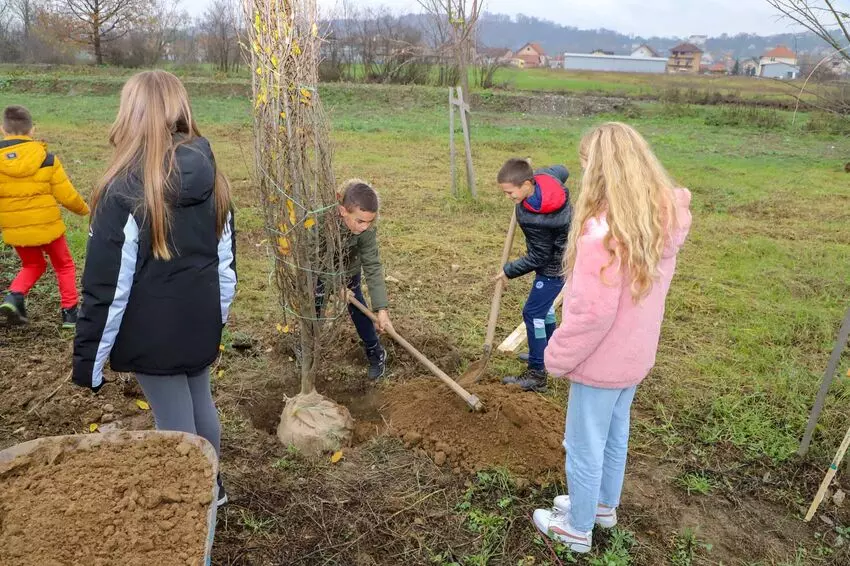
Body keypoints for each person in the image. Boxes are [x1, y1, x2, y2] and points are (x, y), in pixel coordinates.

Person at [72, 71, 236, 507]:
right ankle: (212, 487)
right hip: (199, 323)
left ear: (132, 114)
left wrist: (89, 363)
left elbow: (107, 288)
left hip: (152, 334)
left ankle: (191, 503)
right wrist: (214, 321)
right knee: (201, 405)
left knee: (175, 420)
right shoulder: (214, 179)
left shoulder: (121, 190)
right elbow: (226, 268)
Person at [532, 123, 692, 553]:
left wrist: (556, 356)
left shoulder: (602, 235)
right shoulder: (657, 220)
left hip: (600, 361)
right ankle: (603, 505)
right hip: (634, 355)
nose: (583, 176)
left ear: (602, 170)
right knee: (615, 430)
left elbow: (590, 316)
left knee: (584, 441)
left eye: (587, 166)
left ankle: (578, 528)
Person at [0, 105, 90, 328]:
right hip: (48, 227)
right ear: (32, 131)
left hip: (16, 228)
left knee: (33, 264)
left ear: (3, 129)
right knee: (64, 265)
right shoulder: (47, 159)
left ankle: (14, 296)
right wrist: (85, 210)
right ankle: (70, 313)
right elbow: (67, 195)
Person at [495, 158, 571, 392]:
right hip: (567, 256)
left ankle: (537, 373)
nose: (508, 198)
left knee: (533, 313)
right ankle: (546, 352)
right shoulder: (547, 179)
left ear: (527, 184)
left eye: (510, 192)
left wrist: (508, 270)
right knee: (545, 309)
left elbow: (539, 257)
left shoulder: (534, 218)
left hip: (554, 267)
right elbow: (562, 169)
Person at [323, 179, 393, 380]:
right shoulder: (322, 222)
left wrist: (382, 309)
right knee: (315, 304)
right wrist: (335, 285)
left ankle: (375, 352)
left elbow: (371, 265)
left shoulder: (366, 230)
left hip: (349, 266)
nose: (364, 227)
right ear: (343, 211)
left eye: (370, 222)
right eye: (360, 221)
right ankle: (309, 349)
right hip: (320, 267)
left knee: (357, 306)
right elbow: (312, 257)